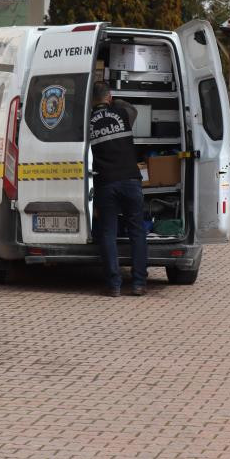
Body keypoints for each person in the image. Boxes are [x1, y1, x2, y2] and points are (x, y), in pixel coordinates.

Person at [88, 80, 147, 297]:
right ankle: (139, 283)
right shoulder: (123, 114)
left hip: (106, 182)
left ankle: (114, 285)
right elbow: (134, 109)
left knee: (108, 233)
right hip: (130, 180)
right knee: (137, 232)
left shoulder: (87, 122)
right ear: (109, 97)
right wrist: (115, 101)